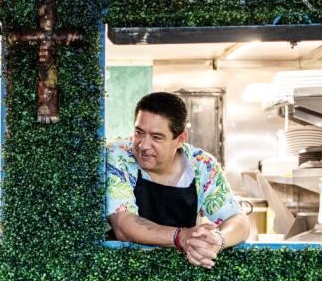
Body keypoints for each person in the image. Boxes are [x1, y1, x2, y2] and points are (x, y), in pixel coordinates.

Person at [105, 92, 250, 268]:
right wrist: (181, 237)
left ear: (180, 139)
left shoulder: (202, 165)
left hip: (179, 272)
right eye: (139, 132)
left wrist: (217, 240)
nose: (143, 145)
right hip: (121, 270)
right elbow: (123, 224)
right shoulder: (118, 156)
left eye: (156, 137)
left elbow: (238, 221)